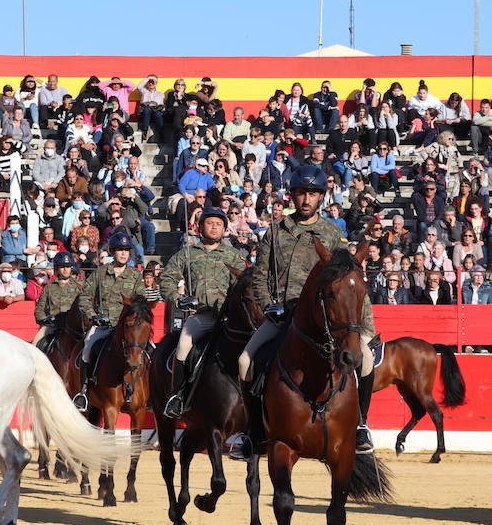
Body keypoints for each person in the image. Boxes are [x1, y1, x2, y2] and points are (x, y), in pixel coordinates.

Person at [232, 164, 377, 460]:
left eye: (312, 193)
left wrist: (363, 326)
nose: (306, 199)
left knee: (367, 361)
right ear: (293, 196)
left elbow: (350, 281)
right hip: (283, 315)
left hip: (327, 319)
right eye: (301, 193)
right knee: (246, 360)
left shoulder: (332, 233)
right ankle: (252, 432)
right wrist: (265, 307)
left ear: (321, 197)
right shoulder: (275, 231)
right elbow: (259, 274)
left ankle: (360, 424)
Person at [158, 208, 248, 418]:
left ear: (225, 229)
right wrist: (178, 299)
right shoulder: (188, 253)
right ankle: (177, 396)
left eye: (219, 223)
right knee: (182, 347)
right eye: (209, 222)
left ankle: (252, 401)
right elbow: (167, 279)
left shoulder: (234, 255)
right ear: (200, 228)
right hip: (202, 317)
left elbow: (246, 284)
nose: (214, 226)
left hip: (229, 319)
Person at [73, 231, 143, 411]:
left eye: (127, 250)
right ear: (113, 251)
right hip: (103, 325)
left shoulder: (136, 276)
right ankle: (84, 392)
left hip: (127, 328)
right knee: (87, 349)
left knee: (148, 350)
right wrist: (93, 316)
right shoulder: (100, 272)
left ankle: (147, 393)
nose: (123, 253)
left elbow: (141, 302)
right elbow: (85, 298)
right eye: (120, 250)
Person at [33, 252, 82, 345]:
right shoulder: (49, 287)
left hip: (73, 328)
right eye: (62, 267)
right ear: (57, 268)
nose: (65, 270)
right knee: (36, 344)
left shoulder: (80, 286)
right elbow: (39, 309)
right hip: (53, 326)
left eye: (68, 267)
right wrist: (45, 320)